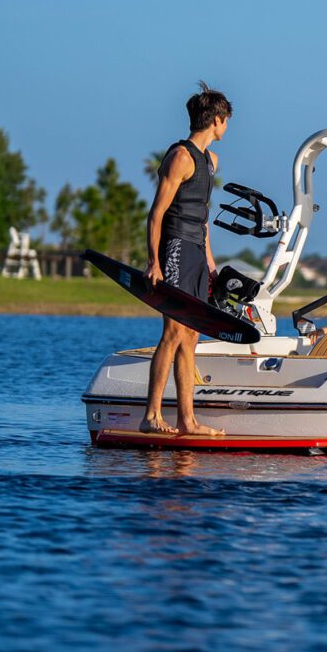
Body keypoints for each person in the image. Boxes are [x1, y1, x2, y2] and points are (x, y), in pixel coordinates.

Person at [140, 83, 231, 437]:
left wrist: (211, 266)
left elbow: (203, 220)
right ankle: (150, 417)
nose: (227, 128)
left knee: (191, 335)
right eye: (226, 122)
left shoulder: (211, 160)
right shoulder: (181, 156)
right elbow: (156, 213)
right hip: (175, 246)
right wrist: (154, 262)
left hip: (195, 250)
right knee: (173, 330)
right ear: (217, 121)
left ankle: (187, 420)